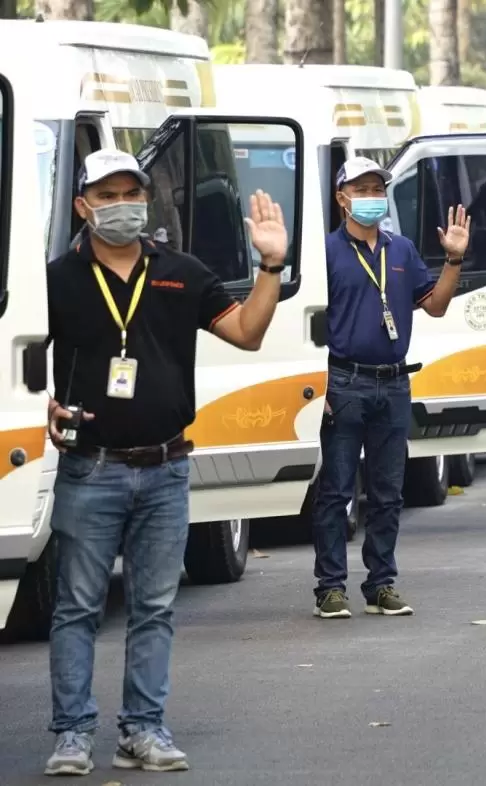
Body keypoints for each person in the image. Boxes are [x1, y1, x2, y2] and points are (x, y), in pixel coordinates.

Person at [43, 150, 287, 775]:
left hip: (166, 466)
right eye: (107, 195)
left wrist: (269, 265)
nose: (122, 205)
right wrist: (37, 400)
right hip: (89, 467)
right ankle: (72, 735)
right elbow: (19, 357)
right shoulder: (55, 278)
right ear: (82, 206)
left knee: (154, 608)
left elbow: (247, 333)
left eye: (132, 193)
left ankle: (142, 731)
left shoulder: (181, 271)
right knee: (77, 608)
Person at [312, 158, 470, 620]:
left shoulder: (400, 250)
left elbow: (436, 306)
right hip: (343, 381)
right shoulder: (325, 252)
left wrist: (454, 259)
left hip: (395, 382)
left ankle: (381, 583)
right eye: (361, 188)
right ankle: (330, 587)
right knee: (336, 490)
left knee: (388, 492)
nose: (371, 196)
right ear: (342, 197)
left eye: (378, 188)